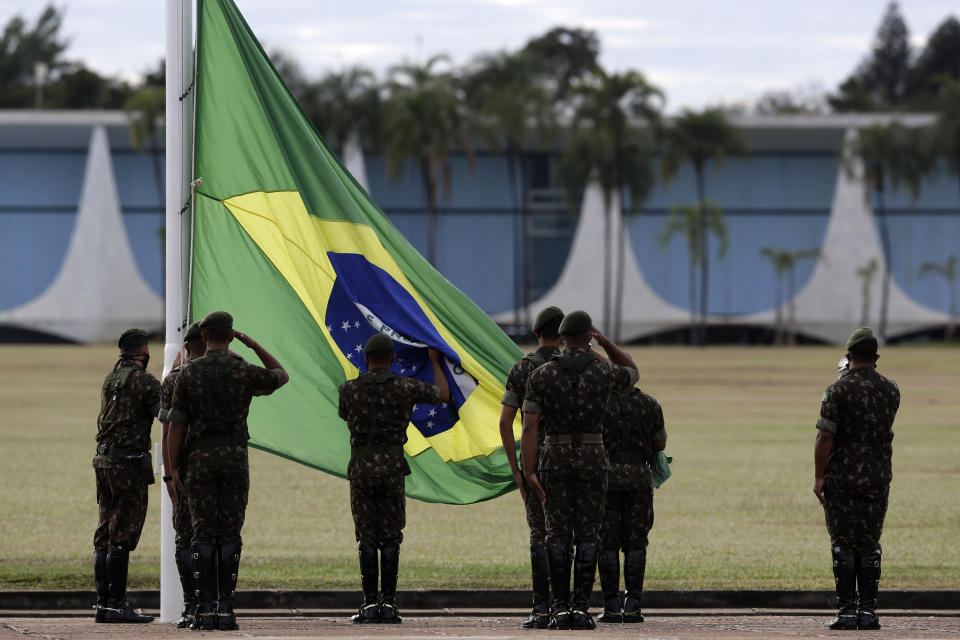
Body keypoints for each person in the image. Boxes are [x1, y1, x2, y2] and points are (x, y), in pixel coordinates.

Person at [167, 311, 289, 631]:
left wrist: (171, 472)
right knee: (230, 535)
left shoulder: (187, 374)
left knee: (204, 534)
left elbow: (175, 426)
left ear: (204, 337)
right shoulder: (242, 370)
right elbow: (279, 375)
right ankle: (226, 609)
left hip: (199, 460)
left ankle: (204, 609)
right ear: (231, 336)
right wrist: (253, 345)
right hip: (234, 459)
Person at [521, 310, 638, 630]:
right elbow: (632, 371)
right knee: (588, 535)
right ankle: (581, 609)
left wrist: (528, 470)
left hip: (554, 459)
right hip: (592, 459)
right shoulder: (603, 372)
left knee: (556, 535)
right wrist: (605, 343)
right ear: (587, 336)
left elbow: (530, 429)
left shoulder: (541, 375)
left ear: (561, 337)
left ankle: (559, 609)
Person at [338, 334, 450, 624]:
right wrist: (435, 362)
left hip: (362, 469)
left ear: (366, 359)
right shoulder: (405, 387)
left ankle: (368, 605)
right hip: (392, 470)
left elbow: (343, 414)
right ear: (392, 359)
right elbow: (442, 395)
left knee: (366, 537)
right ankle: (388, 605)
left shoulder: (349, 390)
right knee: (390, 538)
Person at [813, 327, 899, 631]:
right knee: (869, 543)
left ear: (848, 356)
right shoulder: (891, 390)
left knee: (843, 543)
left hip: (842, 478)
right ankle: (868, 613)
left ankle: (847, 611)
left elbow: (825, 437)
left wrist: (819, 477)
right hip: (877, 478)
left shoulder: (836, 390)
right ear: (876, 357)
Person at [499, 306, 564, 629]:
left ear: (537, 333)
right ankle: (570, 608)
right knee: (570, 534)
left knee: (540, 534)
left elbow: (507, 423)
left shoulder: (523, 370)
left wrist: (518, 471)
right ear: (563, 334)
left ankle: (541, 609)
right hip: (574, 461)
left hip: (535, 462)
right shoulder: (579, 368)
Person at [92, 328, 160, 623]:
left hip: (104, 460)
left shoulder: (112, 377)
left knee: (105, 531)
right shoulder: (144, 381)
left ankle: (104, 604)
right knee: (123, 533)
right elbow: (166, 412)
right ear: (143, 351)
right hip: (127, 463)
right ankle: (117, 604)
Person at [596, 389, 666, 624]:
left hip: (606, 478)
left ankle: (612, 606)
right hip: (639, 478)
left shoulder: (599, 402)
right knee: (636, 542)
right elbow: (660, 443)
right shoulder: (649, 404)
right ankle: (633, 606)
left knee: (607, 543)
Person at [157, 321, 205, 628]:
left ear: (185, 347)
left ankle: (190, 607)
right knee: (216, 537)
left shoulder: (175, 380)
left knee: (185, 538)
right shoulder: (228, 372)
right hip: (219, 465)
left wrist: (169, 475)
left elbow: (167, 431)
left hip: (183, 468)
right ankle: (215, 605)